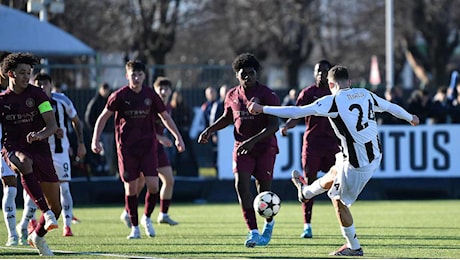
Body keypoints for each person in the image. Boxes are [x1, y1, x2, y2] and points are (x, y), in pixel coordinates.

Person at [247, 65, 420, 256]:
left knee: (338, 200)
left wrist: (262, 108)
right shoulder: (365, 94)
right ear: (350, 82)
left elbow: (296, 112)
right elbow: (390, 107)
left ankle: (353, 246)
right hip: (374, 155)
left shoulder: (333, 101)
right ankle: (306, 192)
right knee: (335, 170)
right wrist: (410, 117)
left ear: (330, 84)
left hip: (358, 165)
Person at [91, 60, 185, 239]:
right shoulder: (119, 95)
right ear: (127, 76)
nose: (136, 77)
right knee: (131, 188)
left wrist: (177, 137)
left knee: (153, 185)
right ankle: (134, 228)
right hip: (126, 149)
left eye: (139, 74)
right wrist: (95, 139)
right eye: (133, 74)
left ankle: (147, 218)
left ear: (144, 76)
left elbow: (165, 117)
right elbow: (103, 117)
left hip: (148, 147)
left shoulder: (150, 94)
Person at [198, 53, 280, 247]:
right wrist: (210, 130)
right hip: (241, 148)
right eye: (243, 74)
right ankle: (252, 231)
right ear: (237, 75)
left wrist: (252, 141)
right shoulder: (232, 95)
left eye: (251, 73)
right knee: (241, 185)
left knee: (264, 191)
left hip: (264, 147)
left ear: (256, 74)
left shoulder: (267, 94)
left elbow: (274, 125)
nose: (247, 77)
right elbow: (228, 117)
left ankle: (268, 224)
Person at [0, 52, 61, 256]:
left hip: (40, 148)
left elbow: (52, 125)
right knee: (24, 163)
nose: (27, 77)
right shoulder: (2, 100)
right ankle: (46, 213)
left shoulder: (37, 95)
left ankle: (37, 236)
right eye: (22, 73)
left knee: (58, 208)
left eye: (29, 72)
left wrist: (39, 135)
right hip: (13, 147)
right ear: (11, 74)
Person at [279, 60, 340, 239]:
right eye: (318, 71)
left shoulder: (336, 93)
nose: (320, 74)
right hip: (312, 145)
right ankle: (307, 225)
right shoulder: (307, 93)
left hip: (332, 145)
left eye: (324, 71)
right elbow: (297, 114)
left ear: (330, 74)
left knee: (339, 182)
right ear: (314, 74)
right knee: (309, 183)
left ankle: (344, 222)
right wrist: (287, 126)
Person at [31, 72, 87, 237]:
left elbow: (76, 121)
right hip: (38, 152)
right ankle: (30, 222)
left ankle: (67, 225)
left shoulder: (62, 100)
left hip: (59, 152)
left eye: (45, 84)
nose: (42, 87)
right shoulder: (29, 102)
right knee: (34, 188)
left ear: (50, 85)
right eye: (38, 84)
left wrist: (81, 143)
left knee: (64, 187)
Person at [119, 76, 179, 228]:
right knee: (139, 182)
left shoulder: (169, 107)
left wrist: (174, 137)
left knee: (169, 180)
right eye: (161, 89)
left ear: (171, 91)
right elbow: (144, 128)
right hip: (146, 146)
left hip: (157, 148)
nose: (164, 92)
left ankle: (163, 214)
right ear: (155, 89)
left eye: (167, 89)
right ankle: (129, 211)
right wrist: (160, 138)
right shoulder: (150, 104)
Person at [85, 82, 115, 176]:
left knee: (109, 152)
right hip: (100, 131)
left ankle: (109, 169)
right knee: (100, 151)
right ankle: (100, 168)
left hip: (109, 131)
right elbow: (89, 117)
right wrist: (94, 130)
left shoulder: (111, 101)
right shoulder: (95, 102)